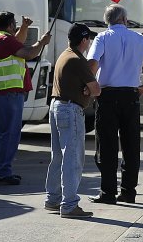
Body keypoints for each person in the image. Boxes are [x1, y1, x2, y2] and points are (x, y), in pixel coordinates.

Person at [87, 4, 143, 205]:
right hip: (131, 96)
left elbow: (92, 63)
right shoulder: (138, 38)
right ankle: (128, 192)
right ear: (124, 19)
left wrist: (91, 86)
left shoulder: (102, 37)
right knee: (131, 146)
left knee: (107, 145)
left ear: (108, 21)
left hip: (108, 96)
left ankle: (108, 193)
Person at [0, 11, 51, 185]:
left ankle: (0, 170)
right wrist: (41, 42)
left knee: (3, 134)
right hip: (8, 93)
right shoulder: (4, 40)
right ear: (10, 25)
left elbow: (17, 42)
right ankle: (2, 172)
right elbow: (28, 53)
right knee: (9, 135)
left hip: (1, 92)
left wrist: (25, 27)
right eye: (15, 24)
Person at [44, 23, 100, 219]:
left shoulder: (64, 55)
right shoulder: (77, 60)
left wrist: (87, 87)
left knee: (58, 156)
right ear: (84, 40)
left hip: (57, 106)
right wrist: (89, 86)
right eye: (89, 39)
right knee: (72, 158)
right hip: (70, 110)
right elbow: (96, 89)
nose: (90, 42)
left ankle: (53, 199)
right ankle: (69, 205)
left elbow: (88, 87)